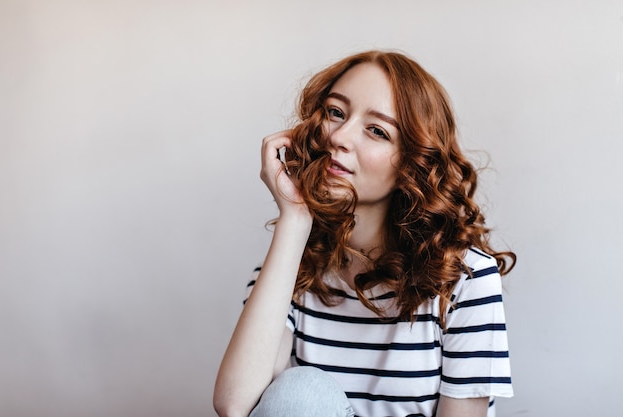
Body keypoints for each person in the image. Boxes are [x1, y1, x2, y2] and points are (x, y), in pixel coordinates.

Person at [213, 50, 516, 417]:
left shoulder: (466, 278)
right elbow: (234, 404)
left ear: (412, 162)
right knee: (301, 394)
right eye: (335, 112)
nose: (339, 136)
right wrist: (293, 220)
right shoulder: (291, 267)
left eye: (377, 131)